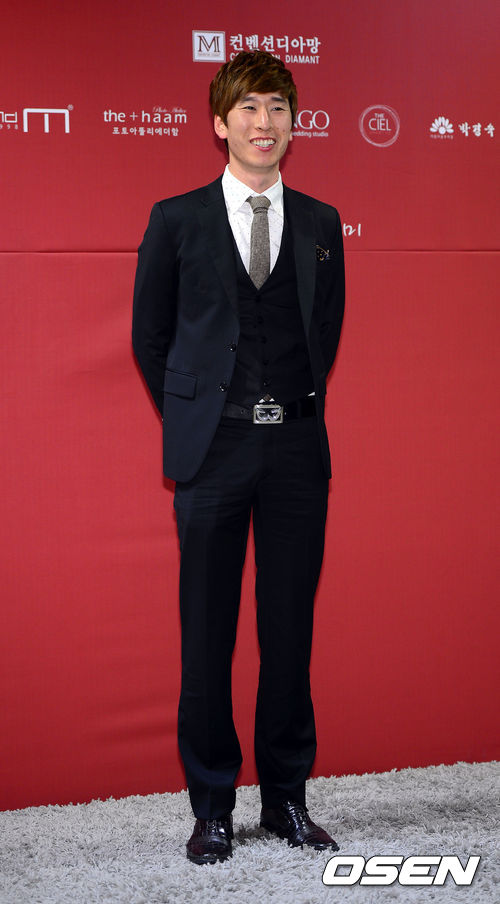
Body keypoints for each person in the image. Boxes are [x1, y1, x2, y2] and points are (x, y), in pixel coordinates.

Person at [132, 50, 345, 865]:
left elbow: (323, 332)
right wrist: (200, 417)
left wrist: (284, 407)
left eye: (278, 108)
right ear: (221, 123)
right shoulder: (176, 219)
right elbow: (151, 338)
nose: (265, 122)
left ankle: (286, 799)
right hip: (213, 450)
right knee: (207, 635)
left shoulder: (321, 223)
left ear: (294, 124)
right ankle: (213, 807)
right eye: (249, 108)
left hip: (295, 448)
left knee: (289, 633)